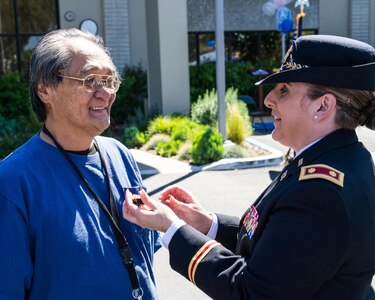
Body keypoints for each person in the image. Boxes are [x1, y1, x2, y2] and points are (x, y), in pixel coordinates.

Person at [123, 34, 375, 299]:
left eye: (284, 89)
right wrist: (208, 224)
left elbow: (251, 293)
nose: (268, 100)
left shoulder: (322, 191)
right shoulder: (340, 158)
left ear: (323, 106)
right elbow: (280, 246)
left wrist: (173, 230)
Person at [0, 28, 160, 300]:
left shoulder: (120, 155)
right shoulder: (13, 181)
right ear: (44, 89)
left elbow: (145, 249)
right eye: (89, 80)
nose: (105, 93)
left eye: (109, 80)